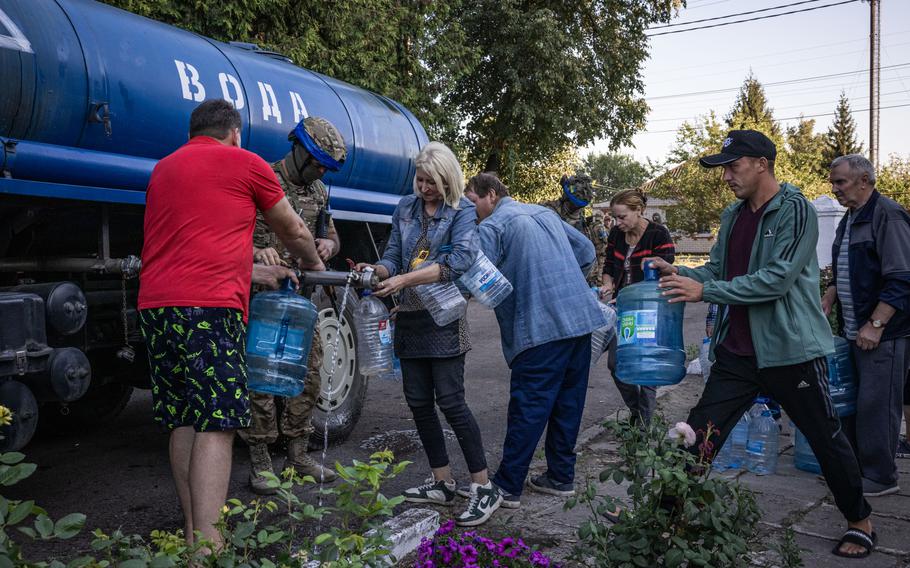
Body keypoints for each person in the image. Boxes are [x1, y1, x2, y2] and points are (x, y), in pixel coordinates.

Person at [646, 130, 874, 559]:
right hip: (737, 350)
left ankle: (860, 520)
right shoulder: (733, 215)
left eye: (733, 167)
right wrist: (680, 274)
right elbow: (717, 270)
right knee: (695, 434)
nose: (727, 176)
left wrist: (706, 293)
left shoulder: (796, 210)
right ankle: (662, 519)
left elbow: (776, 279)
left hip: (790, 350)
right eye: (724, 169)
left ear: (761, 164)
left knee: (825, 437)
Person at [138, 99, 325, 550]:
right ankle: (209, 548)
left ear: (193, 132)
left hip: (156, 306)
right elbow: (294, 231)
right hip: (209, 309)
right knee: (217, 422)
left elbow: (191, 245)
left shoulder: (164, 169)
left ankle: (192, 531)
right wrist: (315, 266)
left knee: (183, 418)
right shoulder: (248, 163)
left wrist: (255, 270)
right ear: (235, 133)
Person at [356, 142, 497, 527]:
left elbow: (458, 262)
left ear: (447, 179)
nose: (423, 188)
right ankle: (443, 481)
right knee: (418, 402)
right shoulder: (405, 207)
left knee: (451, 402)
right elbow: (394, 256)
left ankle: (483, 487)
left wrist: (404, 278)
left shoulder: (463, 211)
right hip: (411, 317)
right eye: (419, 180)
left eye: (430, 182)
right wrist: (380, 271)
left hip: (445, 317)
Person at [464, 173, 607, 509]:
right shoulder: (544, 214)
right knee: (567, 404)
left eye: (474, 202)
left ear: (491, 195)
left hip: (541, 327)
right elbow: (586, 252)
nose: (473, 211)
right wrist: (560, 275)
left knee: (530, 405)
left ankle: (508, 486)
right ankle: (560, 477)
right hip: (581, 321)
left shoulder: (492, 227)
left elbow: (473, 276)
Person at [240, 116, 347, 494]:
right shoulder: (261, 179)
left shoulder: (319, 191)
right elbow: (231, 236)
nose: (320, 171)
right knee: (262, 380)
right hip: (262, 302)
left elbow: (330, 234)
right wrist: (256, 251)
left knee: (308, 374)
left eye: (325, 167)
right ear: (298, 149)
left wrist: (327, 246)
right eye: (317, 162)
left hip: (302, 301)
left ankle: (298, 454)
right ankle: (261, 461)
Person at [821, 154, 910, 497]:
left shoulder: (887, 214)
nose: (835, 188)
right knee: (858, 401)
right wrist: (831, 294)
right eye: (833, 182)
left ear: (864, 180)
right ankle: (859, 468)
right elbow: (847, 265)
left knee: (878, 404)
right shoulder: (851, 217)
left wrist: (876, 323)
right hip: (856, 328)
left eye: (840, 182)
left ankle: (882, 476)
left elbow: (902, 277)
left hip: (886, 332)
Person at [599, 189, 676, 424]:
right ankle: (636, 411)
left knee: (646, 367)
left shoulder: (658, 234)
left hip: (650, 311)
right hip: (621, 308)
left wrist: (633, 295)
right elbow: (609, 265)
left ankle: (644, 424)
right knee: (617, 363)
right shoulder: (616, 234)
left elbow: (666, 270)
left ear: (639, 210)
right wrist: (607, 285)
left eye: (622, 217)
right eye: (615, 217)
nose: (617, 222)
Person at [540, 174, 608, 286]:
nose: (576, 209)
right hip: (551, 275)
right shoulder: (546, 212)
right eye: (573, 205)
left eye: (579, 206)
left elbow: (602, 254)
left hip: (580, 279)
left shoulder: (590, 226)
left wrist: (598, 283)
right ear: (565, 197)